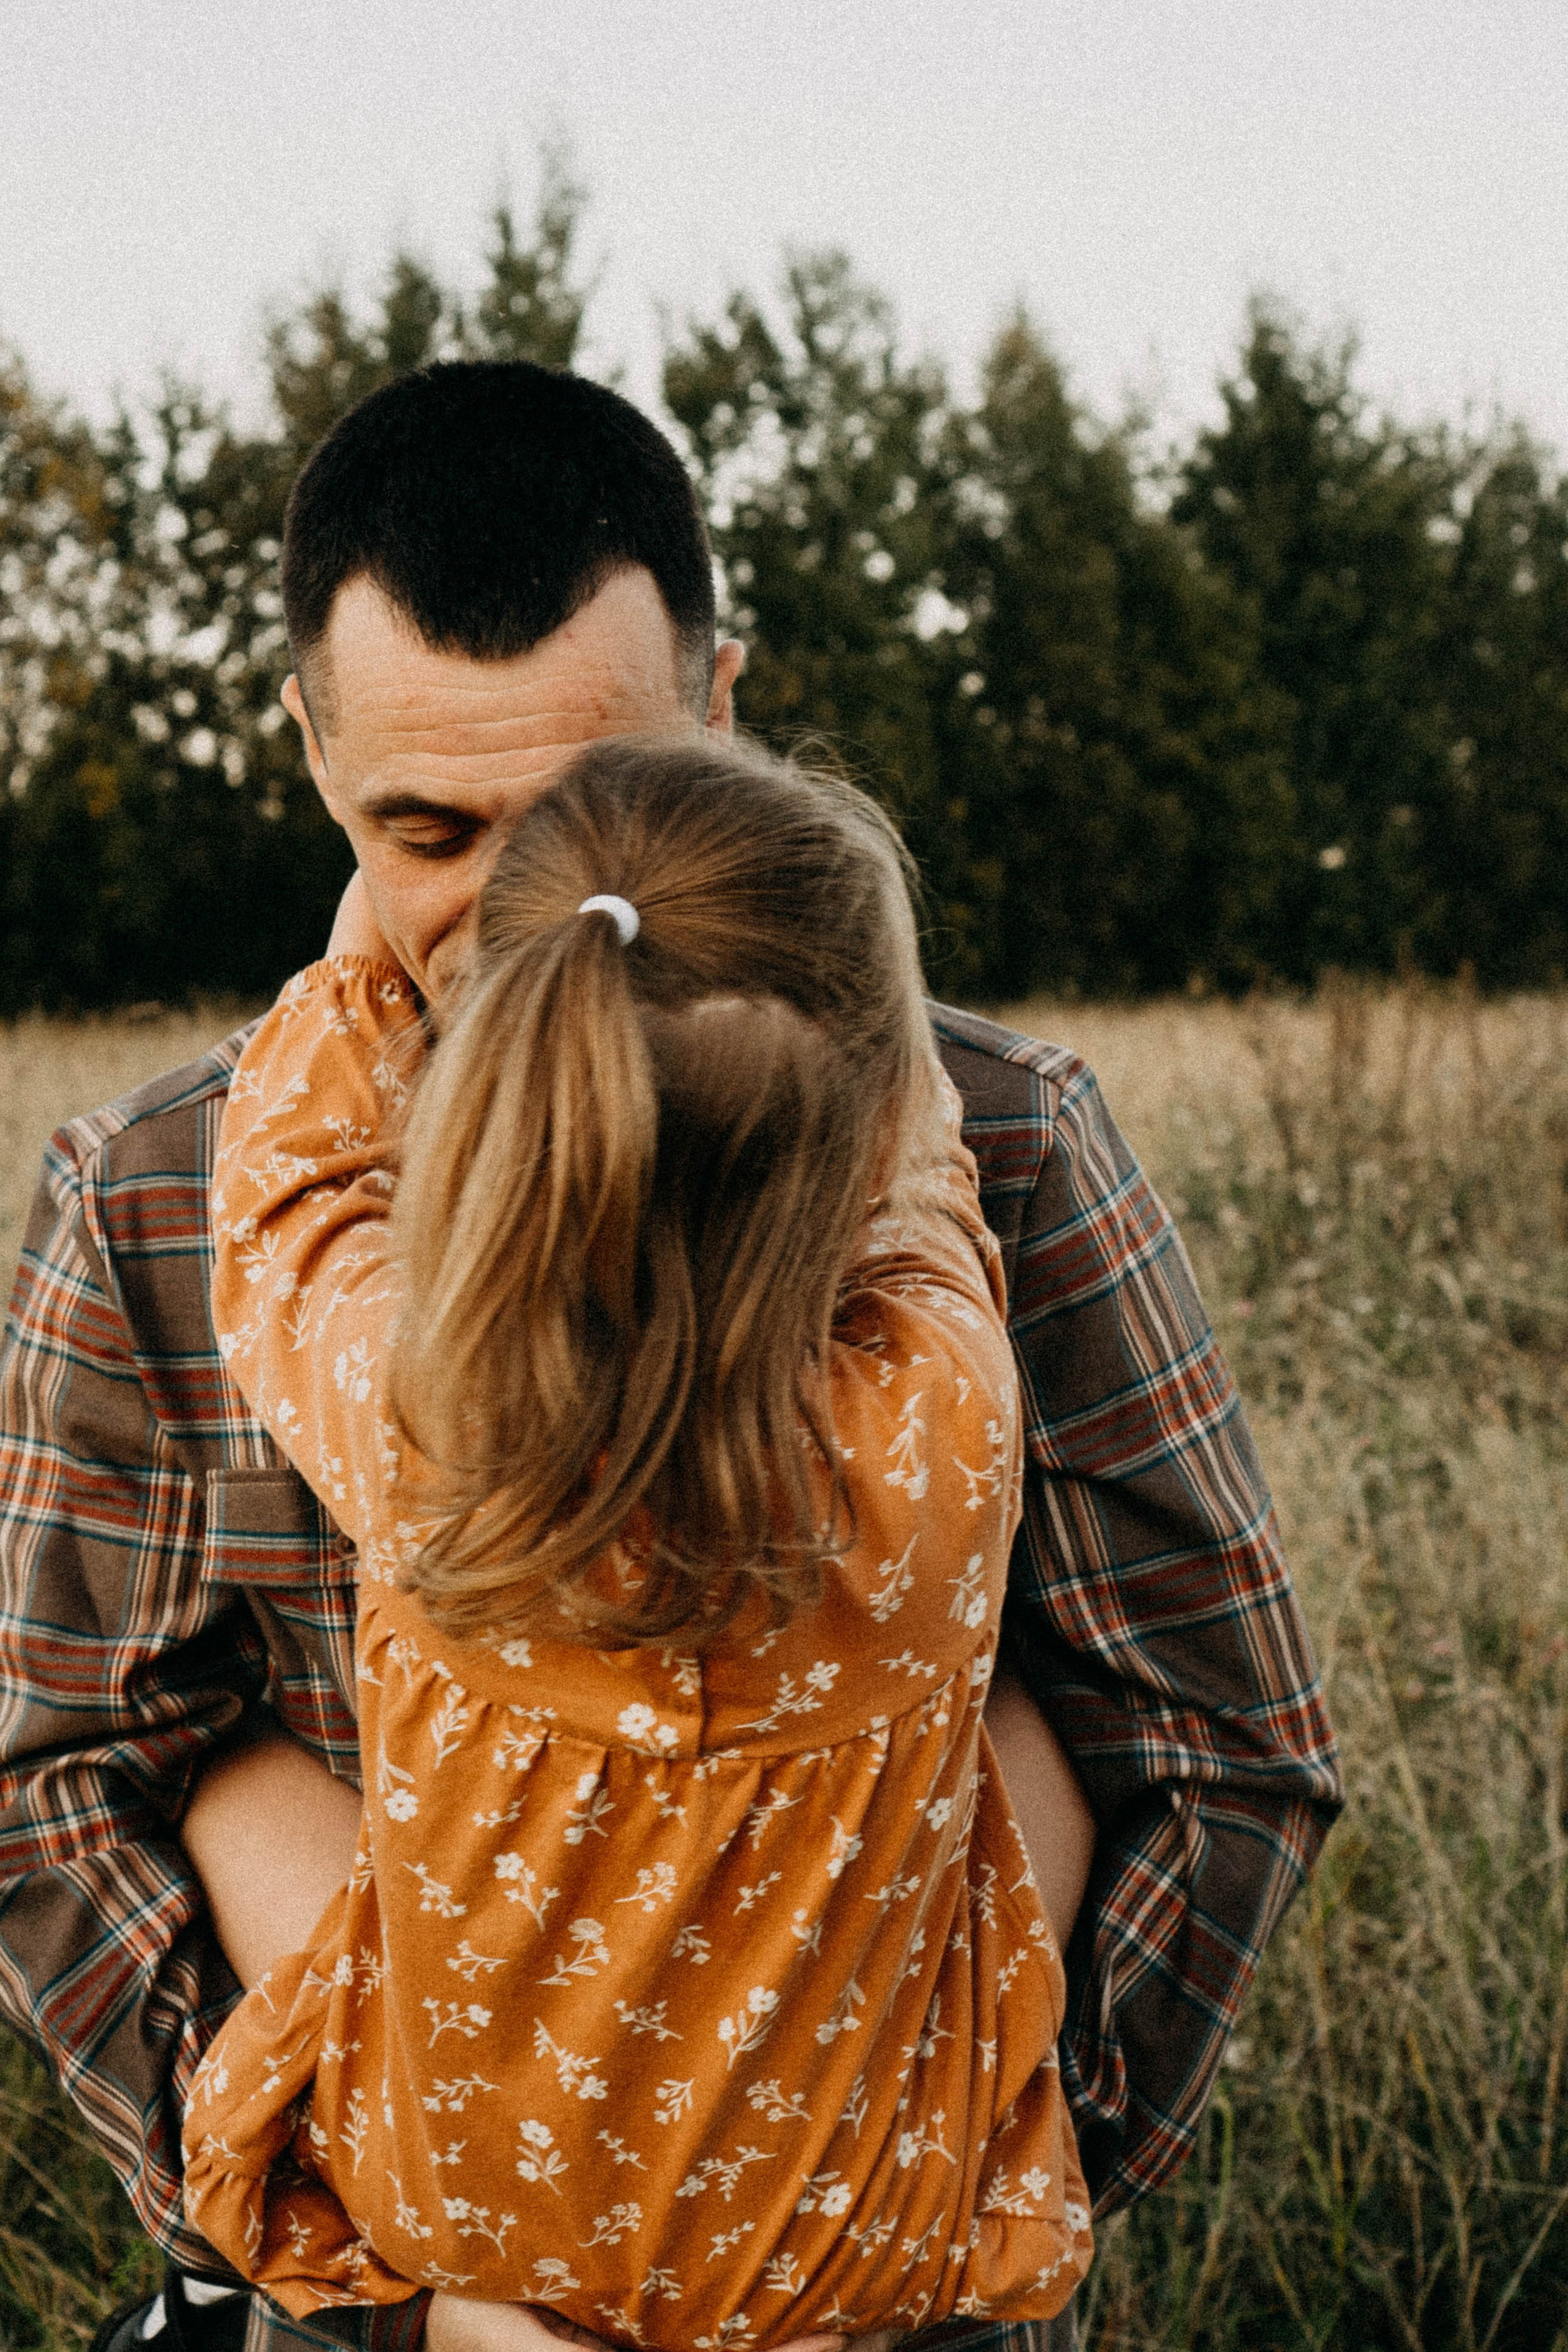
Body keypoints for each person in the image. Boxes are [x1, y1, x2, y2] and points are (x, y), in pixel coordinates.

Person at [0, 359, 1343, 2352]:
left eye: (592, 816)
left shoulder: (1021, 1136)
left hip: (883, 2272)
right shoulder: (142, 1196)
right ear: (308, 752)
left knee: (1028, 1724)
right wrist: (406, 2291)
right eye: (431, 830)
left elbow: (1222, 1741)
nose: (544, 929)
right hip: (416, 2267)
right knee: (239, 1776)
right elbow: (57, 1783)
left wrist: (952, 2203)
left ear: (725, 707)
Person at [181, 734, 1096, 2338]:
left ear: (505, 1079)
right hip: (844, 2244)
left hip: (468, 2201)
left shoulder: (430, 1427)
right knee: (1032, 1725)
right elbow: (930, 1204)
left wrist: (373, 933)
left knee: (229, 1772)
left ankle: (490, 2306)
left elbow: (289, 1198)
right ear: (869, 1111)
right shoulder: (946, 1430)